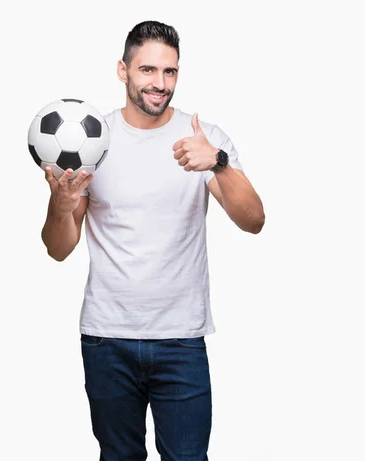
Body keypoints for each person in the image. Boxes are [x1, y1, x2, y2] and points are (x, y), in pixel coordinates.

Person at [40, 20, 265, 461]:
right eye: (147, 70)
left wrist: (218, 164)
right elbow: (58, 248)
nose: (159, 84)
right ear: (123, 71)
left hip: (181, 337)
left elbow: (253, 220)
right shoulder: (90, 142)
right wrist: (62, 205)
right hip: (107, 337)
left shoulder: (204, 138)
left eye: (170, 72)